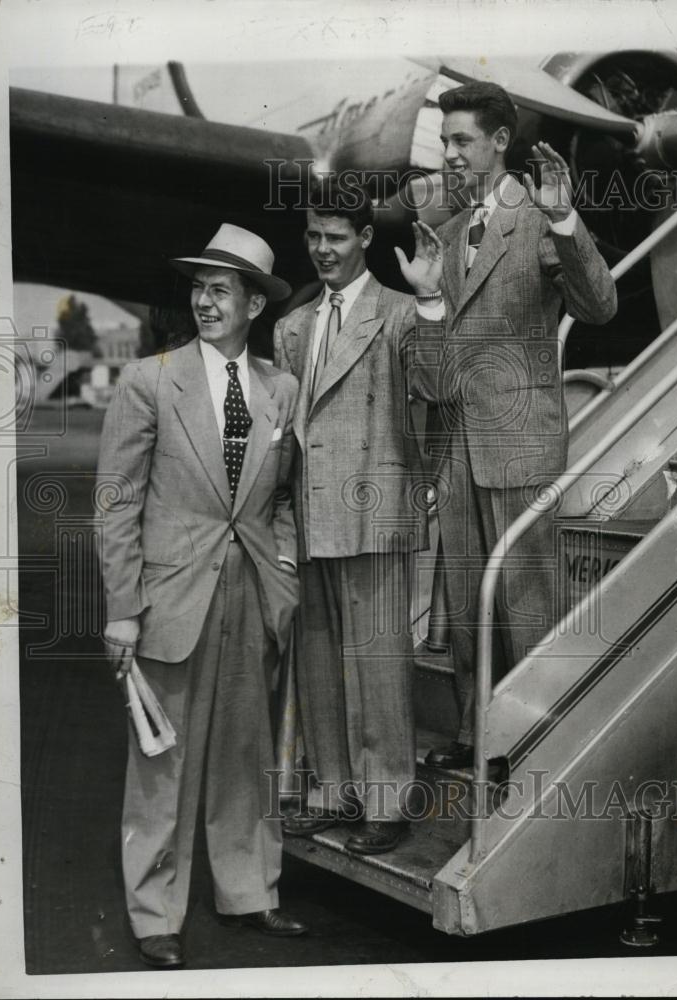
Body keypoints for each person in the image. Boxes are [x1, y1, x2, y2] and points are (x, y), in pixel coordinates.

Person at [96, 224, 307, 969]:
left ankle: (249, 892)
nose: (205, 301)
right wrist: (124, 607)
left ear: (254, 303)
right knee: (164, 761)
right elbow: (116, 503)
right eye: (198, 288)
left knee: (247, 753)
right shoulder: (150, 381)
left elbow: (281, 496)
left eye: (221, 290)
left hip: (253, 590)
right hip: (169, 598)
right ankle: (156, 911)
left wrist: (281, 565)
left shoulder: (279, 389)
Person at [396, 81, 618, 769]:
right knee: (466, 604)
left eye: (462, 141)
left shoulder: (535, 219)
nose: (450, 156)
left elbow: (601, 305)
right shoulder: (453, 234)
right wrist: (429, 305)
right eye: (444, 142)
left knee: (525, 601)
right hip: (457, 448)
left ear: (499, 142)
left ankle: (535, 742)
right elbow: (433, 380)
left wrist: (565, 222)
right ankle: (474, 732)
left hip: (520, 444)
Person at [274, 182, 427, 855]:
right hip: (310, 518)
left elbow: (440, 384)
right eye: (313, 236)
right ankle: (332, 792)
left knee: (379, 666)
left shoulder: (401, 313)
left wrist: (433, 300)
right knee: (319, 664)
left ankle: (387, 802)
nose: (322, 250)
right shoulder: (290, 327)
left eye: (336, 237)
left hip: (373, 511)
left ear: (365, 238)